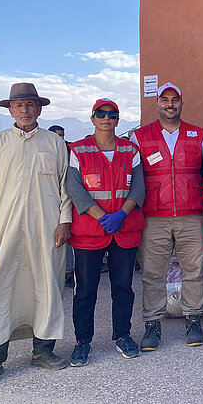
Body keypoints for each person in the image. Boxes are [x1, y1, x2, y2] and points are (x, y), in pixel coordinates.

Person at [0, 83, 72, 388]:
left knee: (47, 287)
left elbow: (65, 188)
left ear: (39, 109)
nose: (25, 110)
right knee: (0, 291)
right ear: (10, 110)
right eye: (19, 105)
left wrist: (64, 222)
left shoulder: (54, 143)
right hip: (5, 231)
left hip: (46, 231)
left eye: (30, 105)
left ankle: (43, 352)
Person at [130, 82, 203, 350]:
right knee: (153, 274)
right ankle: (153, 325)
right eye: (165, 99)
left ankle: (193, 320)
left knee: (194, 272)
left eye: (175, 100)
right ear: (157, 104)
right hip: (154, 217)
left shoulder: (199, 136)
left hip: (191, 215)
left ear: (181, 103)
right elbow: (133, 180)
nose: (170, 104)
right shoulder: (140, 137)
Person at [65, 99, 146, 366]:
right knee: (85, 290)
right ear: (92, 118)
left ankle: (123, 335)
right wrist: (103, 217)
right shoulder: (79, 150)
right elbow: (75, 189)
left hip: (124, 229)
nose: (106, 118)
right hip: (90, 231)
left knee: (123, 287)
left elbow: (138, 188)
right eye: (101, 114)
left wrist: (122, 214)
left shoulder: (130, 149)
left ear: (118, 120)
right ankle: (82, 342)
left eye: (112, 115)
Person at [48, 124, 77, 287]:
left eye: (62, 135)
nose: (61, 138)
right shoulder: (47, 150)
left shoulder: (68, 151)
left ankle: (69, 273)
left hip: (69, 202)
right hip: (50, 204)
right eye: (58, 135)